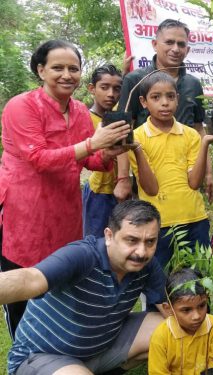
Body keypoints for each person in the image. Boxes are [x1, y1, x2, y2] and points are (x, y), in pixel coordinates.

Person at [2, 200, 213, 375]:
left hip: (102, 347)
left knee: (166, 328)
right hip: (43, 356)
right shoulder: (82, 255)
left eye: (150, 241)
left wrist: (212, 340)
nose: (142, 251)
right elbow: (30, 279)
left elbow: (173, 309)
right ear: (110, 235)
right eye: (131, 240)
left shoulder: (146, 265)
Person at [0, 40, 131, 338]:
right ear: (41, 70)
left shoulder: (80, 112)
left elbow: (93, 161)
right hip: (24, 212)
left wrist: (110, 152)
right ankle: (23, 358)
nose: (66, 75)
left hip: (66, 211)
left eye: (73, 68)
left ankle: (59, 346)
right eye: (57, 68)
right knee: (22, 285)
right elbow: (38, 158)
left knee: (62, 280)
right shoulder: (21, 106)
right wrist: (92, 145)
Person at [128, 72, 213, 272]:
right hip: (158, 223)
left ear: (177, 99)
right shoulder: (138, 137)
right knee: (159, 280)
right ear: (143, 101)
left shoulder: (190, 135)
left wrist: (205, 142)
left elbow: (194, 183)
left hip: (194, 218)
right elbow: (151, 188)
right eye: (156, 97)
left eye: (170, 96)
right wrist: (137, 149)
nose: (164, 103)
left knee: (199, 277)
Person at [116, 18, 213, 203]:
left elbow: (199, 128)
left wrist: (208, 172)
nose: (176, 49)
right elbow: (124, 130)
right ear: (155, 44)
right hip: (149, 174)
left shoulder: (193, 84)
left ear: (188, 49)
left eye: (181, 44)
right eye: (169, 42)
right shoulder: (135, 80)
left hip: (187, 175)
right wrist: (123, 178)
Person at [149, 267, 213, 375]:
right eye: (186, 310)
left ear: (207, 299)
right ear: (169, 308)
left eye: (202, 305)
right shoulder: (160, 337)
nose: (197, 316)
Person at [82, 64, 125, 237]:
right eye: (104, 87)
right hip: (99, 191)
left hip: (121, 190)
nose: (111, 94)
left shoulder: (118, 117)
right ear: (92, 89)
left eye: (116, 89)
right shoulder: (85, 118)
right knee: (96, 241)